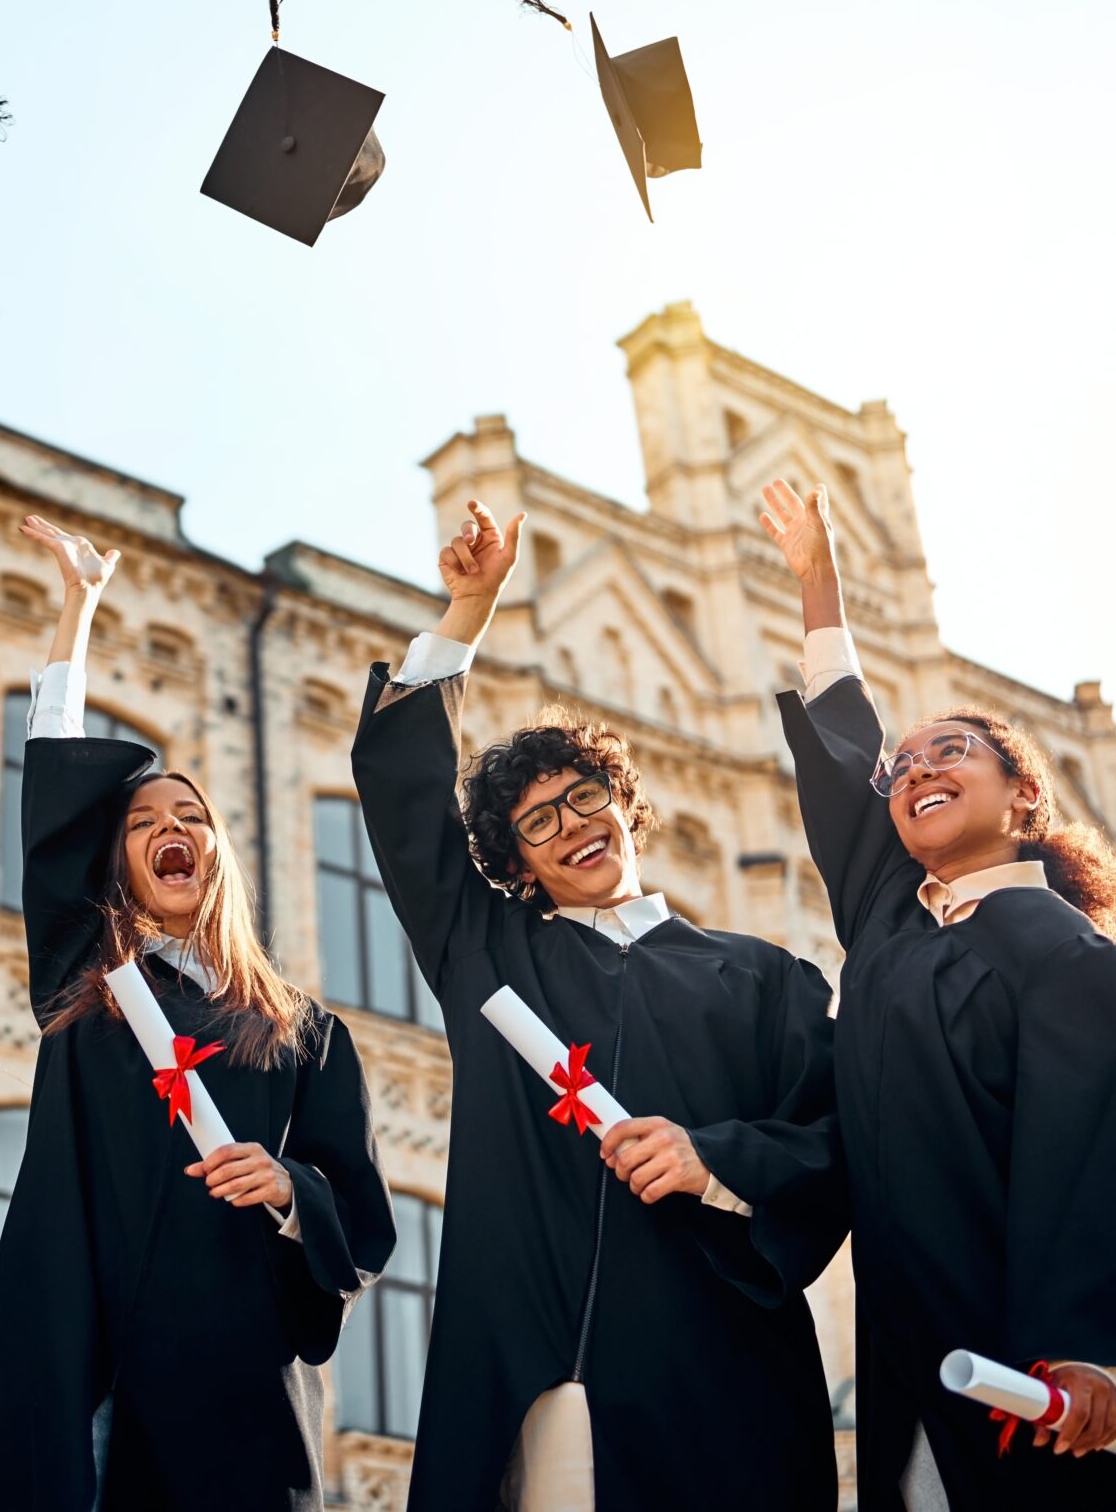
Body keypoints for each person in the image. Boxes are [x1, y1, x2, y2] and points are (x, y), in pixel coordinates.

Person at [350, 500, 846, 1512]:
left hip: (725, 1378)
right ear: (515, 867)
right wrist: (471, 607)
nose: (571, 824)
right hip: (548, 1381)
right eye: (536, 822)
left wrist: (717, 1161)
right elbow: (403, 801)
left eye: (584, 796)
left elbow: (839, 1144)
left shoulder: (762, 980)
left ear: (626, 806)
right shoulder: (488, 954)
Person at [760, 477, 1116, 1510]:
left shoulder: (1069, 955)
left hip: (1040, 1382)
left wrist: (1089, 1350)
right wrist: (818, 583)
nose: (913, 768)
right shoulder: (891, 926)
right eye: (903, 765)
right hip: (915, 1365)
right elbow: (840, 758)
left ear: (1024, 796)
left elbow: (1104, 1157)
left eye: (949, 750)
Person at [0, 517, 397, 1512]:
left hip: (228, 1380)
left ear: (217, 853)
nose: (168, 830)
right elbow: (54, 796)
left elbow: (358, 1214)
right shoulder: (90, 982)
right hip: (81, 1365)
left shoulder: (300, 1030)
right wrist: (78, 611)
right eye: (143, 823)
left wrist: (285, 1186)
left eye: (189, 817)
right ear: (115, 863)